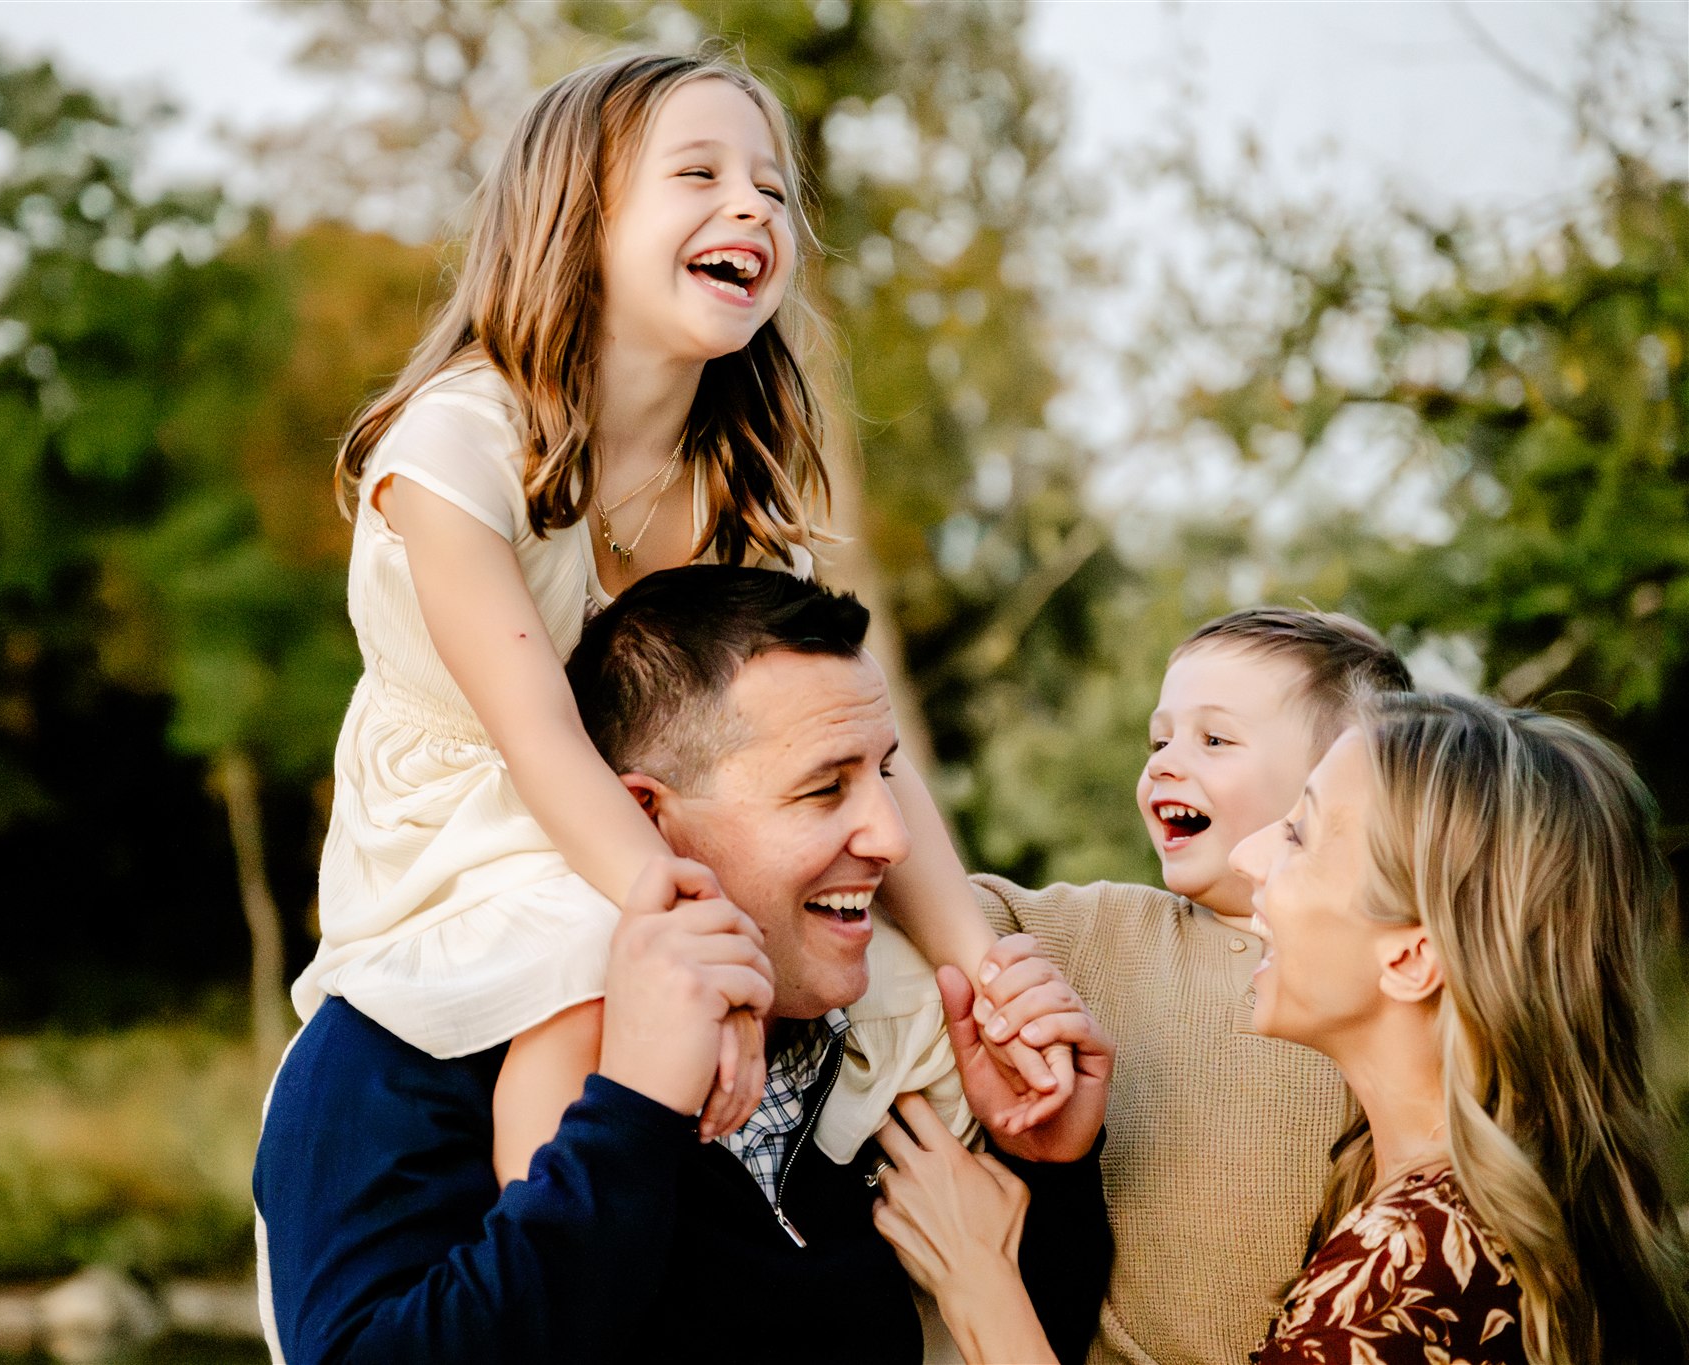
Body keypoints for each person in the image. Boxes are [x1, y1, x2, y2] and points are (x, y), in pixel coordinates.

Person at [288, 48, 1015, 1188]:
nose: (752, 206)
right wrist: (692, 942)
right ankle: (564, 1250)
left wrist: (982, 964)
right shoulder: (457, 444)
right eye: (699, 174)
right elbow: (537, 736)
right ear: (576, 221)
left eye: (771, 188)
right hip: (470, 820)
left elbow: (859, 751)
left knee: (914, 1004)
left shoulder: (735, 490)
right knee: (596, 958)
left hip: (656, 810)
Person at [253, 567, 1114, 1365]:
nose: (892, 837)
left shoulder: (867, 1054)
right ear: (646, 815)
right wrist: (633, 1108)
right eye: (824, 788)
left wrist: (1048, 1164)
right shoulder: (396, 1052)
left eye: (885, 774)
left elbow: (1026, 1331)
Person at [874, 691, 1689, 1365]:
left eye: (1299, 833)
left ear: (1412, 957)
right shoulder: (1477, 1204)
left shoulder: (1408, 1270)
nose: (1252, 855)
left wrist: (980, 1287)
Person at [964, 607, 1413, 1364]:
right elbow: (953, 909)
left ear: (1338, 787)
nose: (1166, 763)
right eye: (1160, 739)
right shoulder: (1109, 926)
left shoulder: (1361, 983)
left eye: (1214, 739)